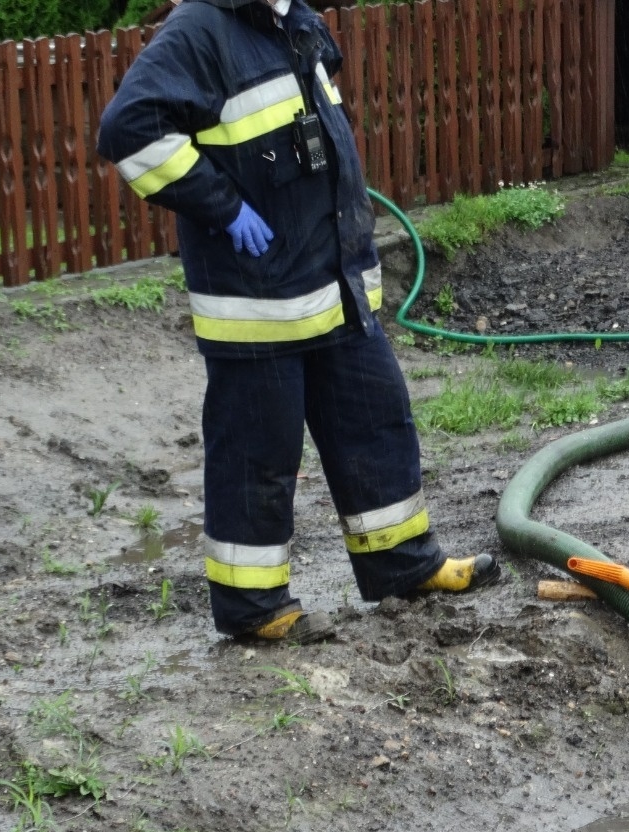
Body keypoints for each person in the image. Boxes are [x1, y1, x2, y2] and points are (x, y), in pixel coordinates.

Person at [97, 0, 497, 644]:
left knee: (376, 422)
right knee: (258, 456)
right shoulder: (201, 32)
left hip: (332, 285)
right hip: (257, 302)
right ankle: (254, 609)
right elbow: (127, 130)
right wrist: (222, 206)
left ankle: (402, 565)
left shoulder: (294, 21)